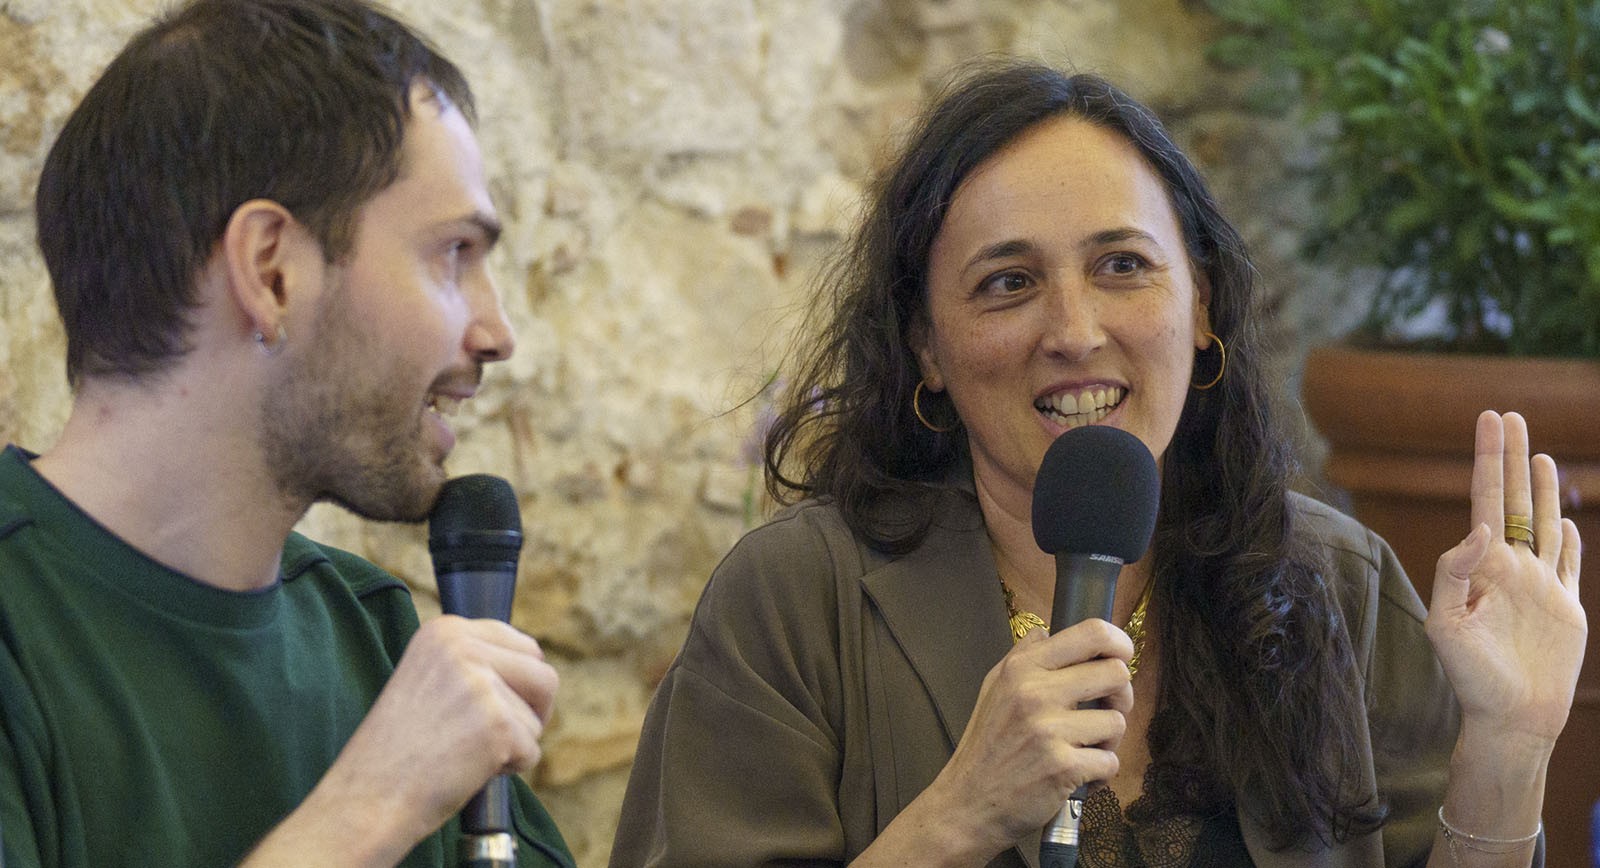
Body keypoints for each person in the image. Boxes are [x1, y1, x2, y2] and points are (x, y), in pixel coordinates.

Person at [611, 61, 1586, 867]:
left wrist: (1508, 745)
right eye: (1008, 283)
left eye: (1122, 265)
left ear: (1202, 305)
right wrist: (957, 815)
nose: (1073, 331)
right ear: (923, 348)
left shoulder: (1341, 583)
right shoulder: (791, 600)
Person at [0, 1, 575, 865]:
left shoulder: (377, 635)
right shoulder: (23, 632)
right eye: (452, 254)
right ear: (271, 270)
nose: (496, 333)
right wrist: (369, 810)